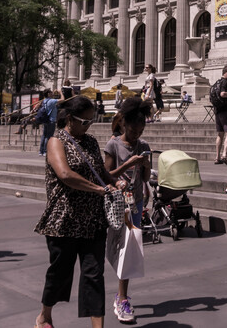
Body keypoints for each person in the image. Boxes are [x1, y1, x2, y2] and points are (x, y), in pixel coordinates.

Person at [35, 95, 123, 328]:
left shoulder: (92, 142)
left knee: (94, 276)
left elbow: (101, 172)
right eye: (84, 121)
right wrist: (98, 189)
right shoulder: (56, 141)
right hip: (64, 220)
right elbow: (65, 174)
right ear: (69, 119)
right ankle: (45, 315)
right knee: (60, 273)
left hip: (93, 220)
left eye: (91, 121)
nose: (88, 125)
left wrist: (115, 183)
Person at [103, 97, 153, 324]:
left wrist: (145, 165)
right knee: (120, 249)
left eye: (141, 129)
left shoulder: (143, 146)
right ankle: (121, 296)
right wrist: (127, 165)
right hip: (117, 204)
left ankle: (122, 297)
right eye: (133, 129)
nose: (137, 134)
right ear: (123, 124)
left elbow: (144, 177)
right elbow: (106, 175)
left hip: (136, 203)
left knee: (129, 250)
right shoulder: (113, 144)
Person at [38, 90, 61, 157]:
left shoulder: (44, 101)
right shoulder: (51, 101)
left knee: (44, 135)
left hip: (45, 120)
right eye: (51, 93)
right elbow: (63, 99)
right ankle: (45, 151)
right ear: (48, 94)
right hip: (51, 120)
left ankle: (41, 151)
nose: (52, 94)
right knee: (49, 136)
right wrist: (60, 92)